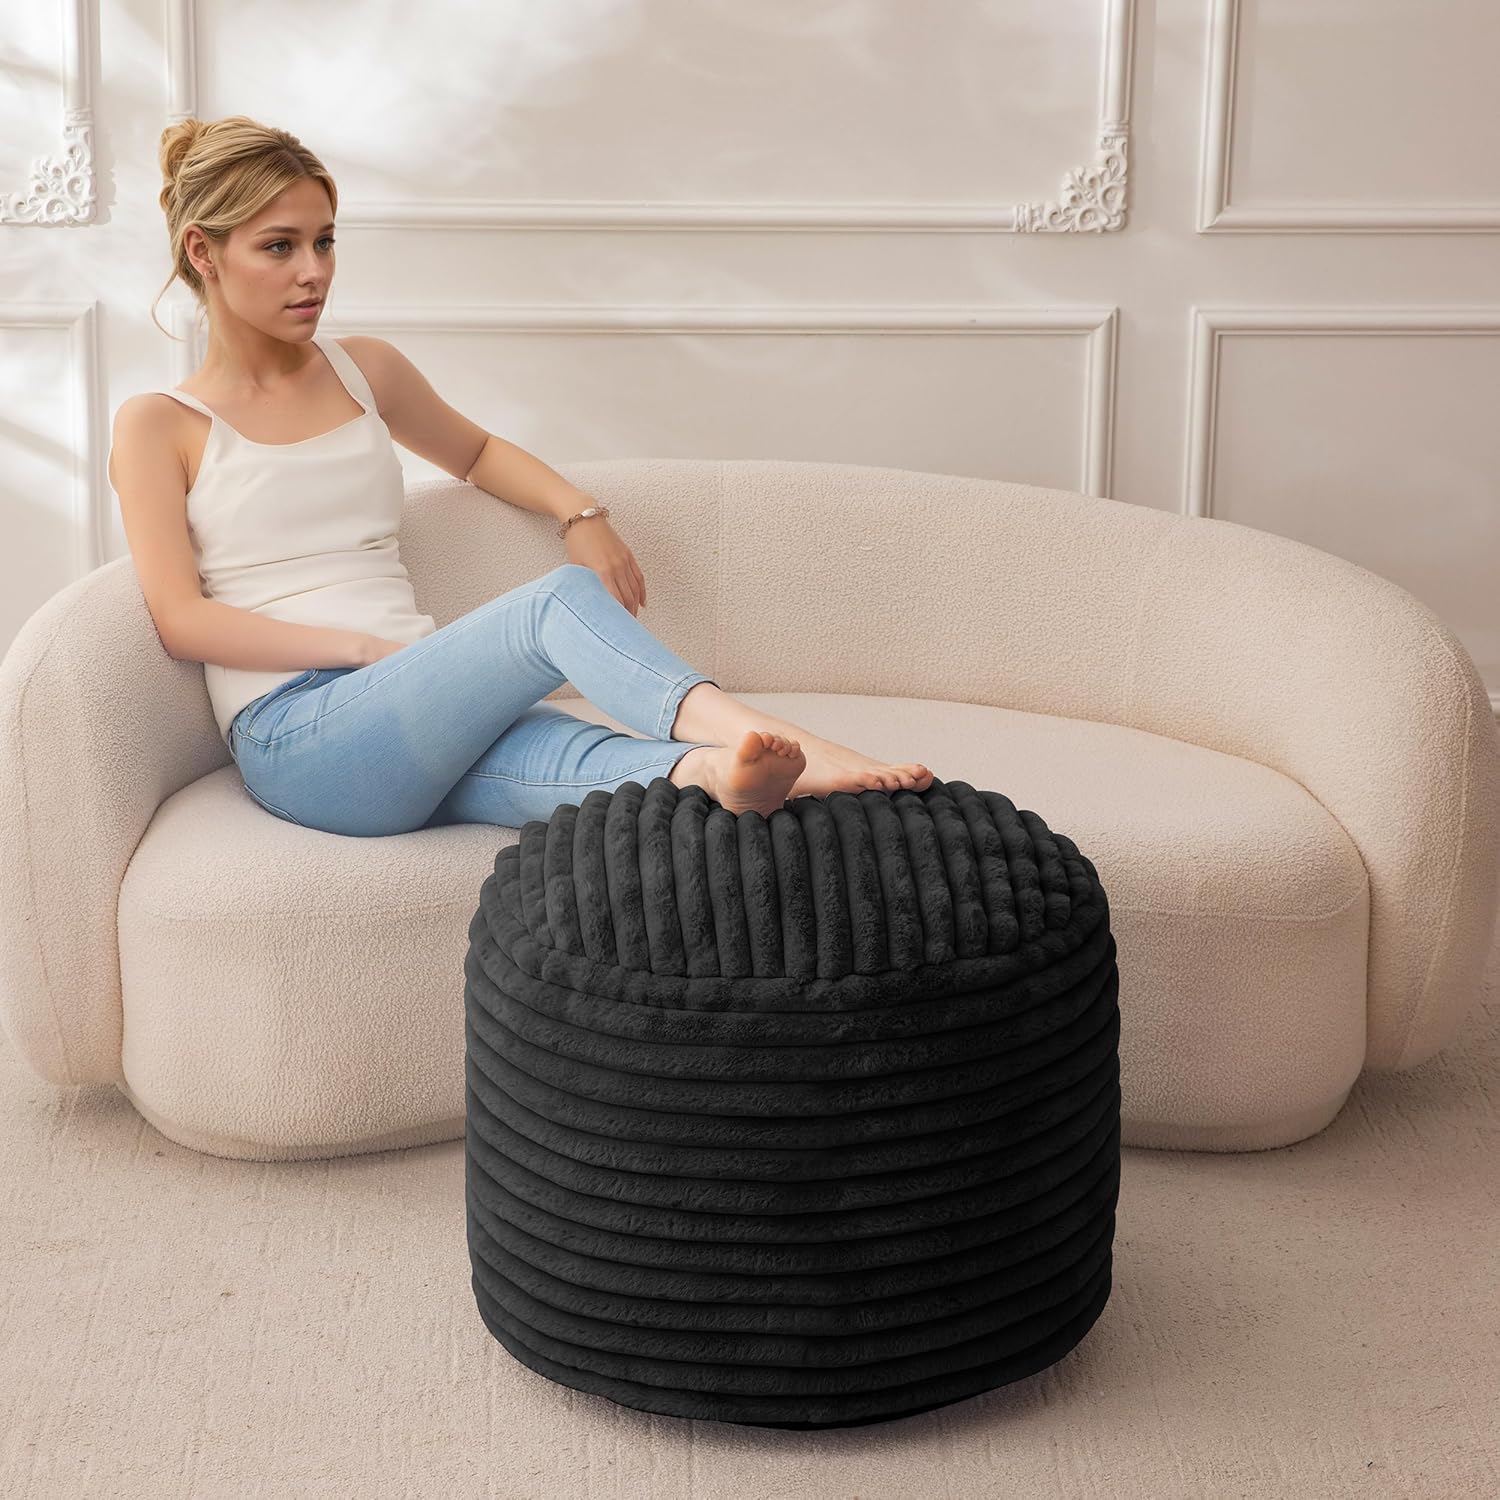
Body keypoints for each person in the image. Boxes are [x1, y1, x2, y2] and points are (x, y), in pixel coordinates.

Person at [109, 114, 933, 837]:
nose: (313, 271)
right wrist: (361, 648)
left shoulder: (364, 370)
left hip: (407, 711)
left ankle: (715, 773)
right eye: (279, 247)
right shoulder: (159, 424)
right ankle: (770, 734)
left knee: (580, 754)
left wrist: (580, 513)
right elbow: (183, 620)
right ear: (203, 252)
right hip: (299, 735)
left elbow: (474, 453)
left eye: (325, 241)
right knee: (555, 602)